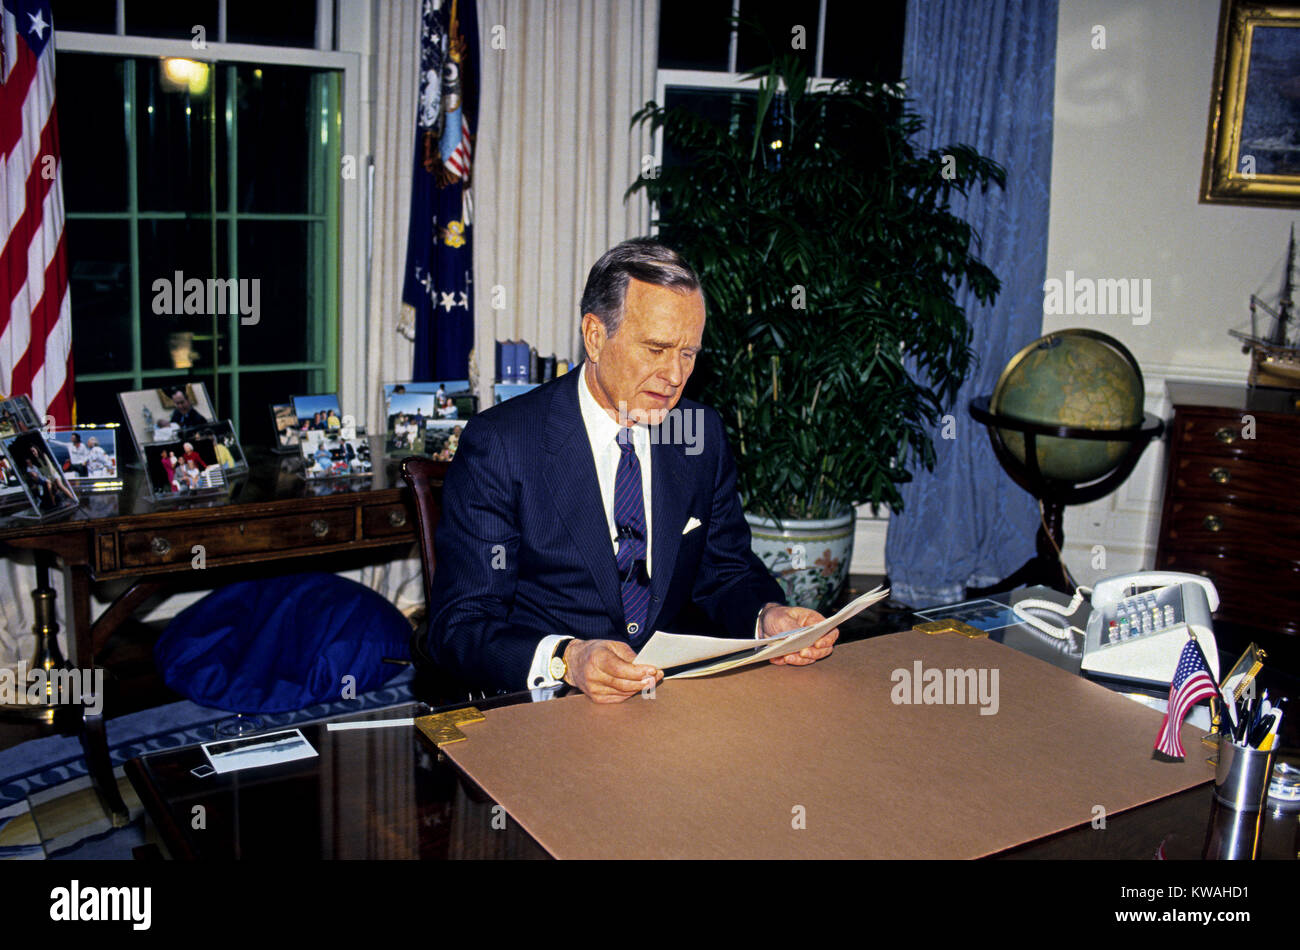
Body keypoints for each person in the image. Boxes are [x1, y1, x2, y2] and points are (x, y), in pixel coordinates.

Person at [426, 239, 839, 703]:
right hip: (551, 709)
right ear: (596, 336)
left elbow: (726, 572)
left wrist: (768, 616)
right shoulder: (503, 444)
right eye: (657, 349)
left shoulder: (698, 435)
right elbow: (460, 628)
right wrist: (568, 659)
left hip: (677, 703)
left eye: (689, 354)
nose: (675, 376)